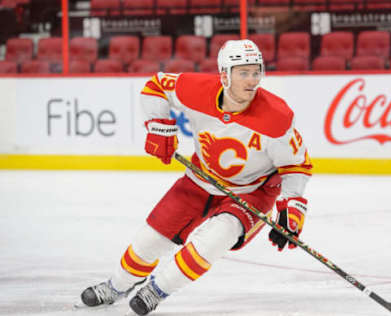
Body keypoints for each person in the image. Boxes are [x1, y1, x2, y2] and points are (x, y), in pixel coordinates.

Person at [80, 39, 312, 316]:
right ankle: (116, 286)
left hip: (252, 191)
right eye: (243, 73)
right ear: (224, 75)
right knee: (150, 240)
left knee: (216, 239)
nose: (252, 81)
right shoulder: (196, 90)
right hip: (199, 179)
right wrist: (158, 124)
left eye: (256, 72)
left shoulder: (277, 117)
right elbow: (156, 86)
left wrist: (293, 205)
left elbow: (296, 165)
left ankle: (157, 290)